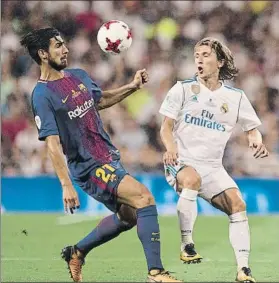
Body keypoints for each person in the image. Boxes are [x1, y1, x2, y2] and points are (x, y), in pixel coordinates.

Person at [20, 27, 181, 283]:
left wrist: (132, 87)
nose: (66, 49)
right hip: (88, 166)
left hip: (107, 156)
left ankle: (77, 252)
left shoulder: (78, 76)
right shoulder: (42, 95)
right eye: (58, 46)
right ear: (42, 53)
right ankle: (156, 273)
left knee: (129, 216)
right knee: (144, 198)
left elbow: (99, 100)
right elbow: (52, 143)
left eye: (64, 44)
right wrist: (66, 185)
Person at [159, 37, 269, 283]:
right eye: (197, 54)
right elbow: (165, 127)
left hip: (213, 167)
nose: (199, 58)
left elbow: (252, 128)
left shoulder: (235, 97)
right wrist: (170, 147)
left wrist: (256, 139)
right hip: (181, 160)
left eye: (206, 54)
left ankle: (243, 270)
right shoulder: (183, 89)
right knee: (192, 179)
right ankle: (187, 244)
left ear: (219, 62)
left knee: (238, 205)